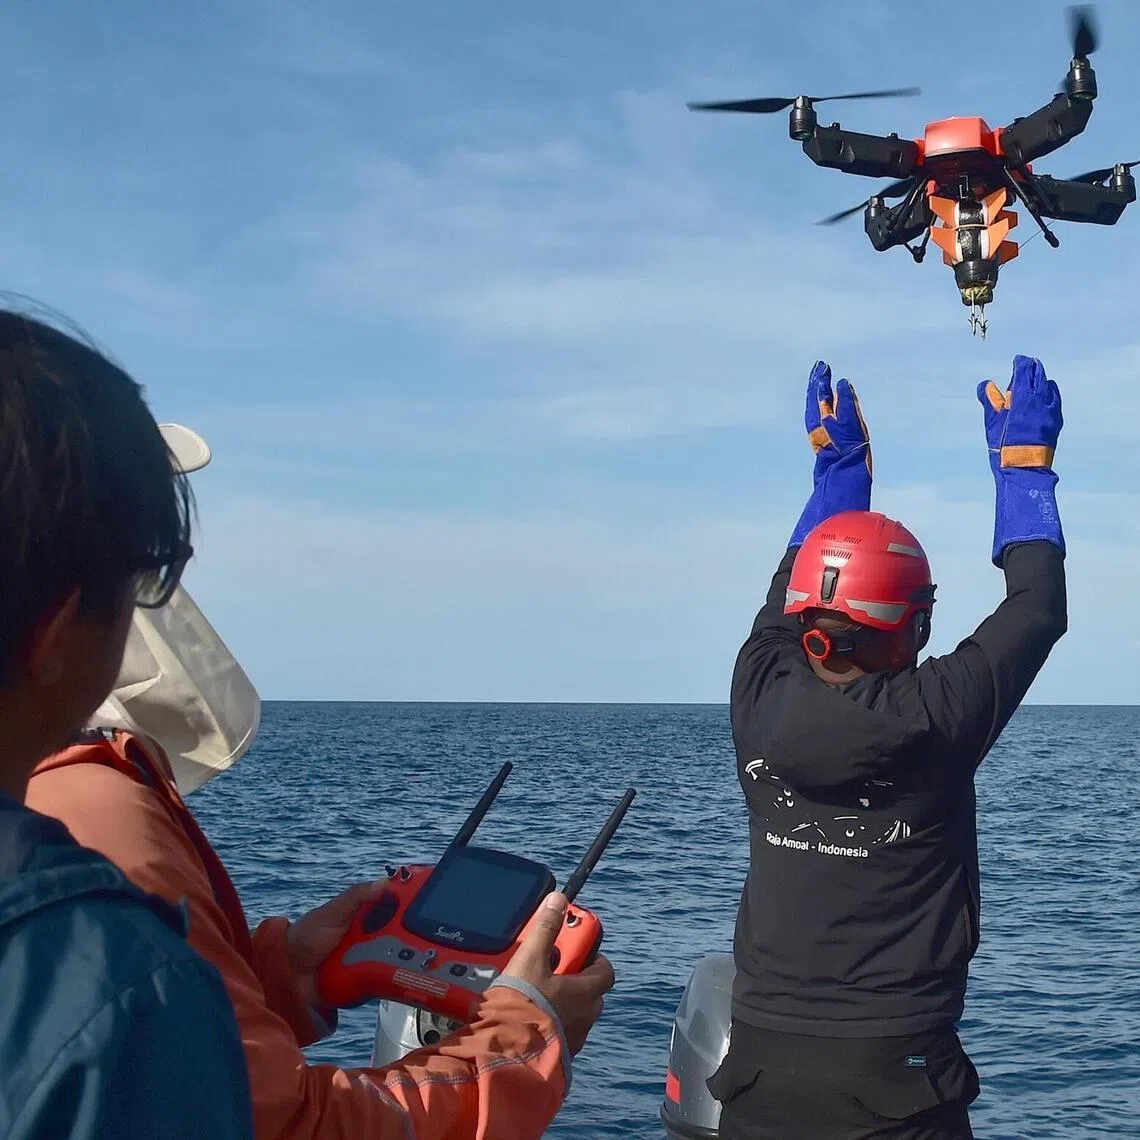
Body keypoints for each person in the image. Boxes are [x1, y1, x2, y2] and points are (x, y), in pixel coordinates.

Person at [25, 408, 616, 1138]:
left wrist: (280, 978)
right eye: (150, 560)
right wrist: (523, 1041)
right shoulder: (88, 816)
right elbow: (283, 1127)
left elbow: (112, 1050)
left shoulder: (38, 801)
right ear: (62, 605)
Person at [709, 355, 1068, 1139]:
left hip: (758, 1072)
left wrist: (838, 477)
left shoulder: (756, 688)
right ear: (915, 626)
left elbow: (790, 592)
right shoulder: (933, 716)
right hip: (896, 1082)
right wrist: (1023, 470)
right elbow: (1037, 609)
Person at [0, 306, 255, 1138]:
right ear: (54, 633)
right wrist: (523, 1031)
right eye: (149, 575)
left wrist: (279, 975)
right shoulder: (124, 994)